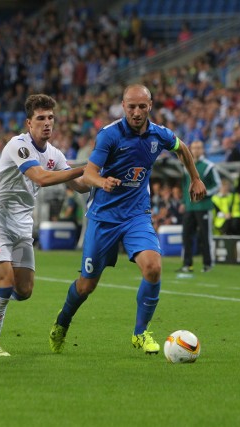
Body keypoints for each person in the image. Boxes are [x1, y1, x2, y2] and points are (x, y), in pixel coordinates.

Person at [48, 84, 206, 355]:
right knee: (87, 285)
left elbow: (182, 148)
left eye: (142, 106)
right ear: (123, 106)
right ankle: (62, 322)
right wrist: (102, 181)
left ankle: (140, 333)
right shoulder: (109, 135)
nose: (136, 111)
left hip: (136, 216)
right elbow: (89, 173)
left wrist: (195, 177)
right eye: (131, 106)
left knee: (153, 267)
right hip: (103, 218)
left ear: (150, 106)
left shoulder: (160, 134)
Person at [0, 94, 89, 357]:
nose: (47, 123)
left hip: (21, 224)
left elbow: (78, 186)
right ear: (28, 123)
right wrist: (84, 167)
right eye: (41, 118)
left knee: (23, 291)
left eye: (50, 118)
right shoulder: (18, 145)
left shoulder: (55, 154)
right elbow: (42, 178)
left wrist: (102, 177)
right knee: (4, 283)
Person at [177, 140, 221, 273]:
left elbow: (217, 185)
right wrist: (184, 202)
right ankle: (187, 264)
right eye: (194, 148)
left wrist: (204, 194)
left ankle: (208, 264)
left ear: (203, 150)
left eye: (199, 148)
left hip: (204, 207)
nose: (196, 150)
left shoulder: (208, 166)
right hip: (190, 207)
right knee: (186, 235)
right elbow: (185, 186)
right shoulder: (186, 165)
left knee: (205, 236)